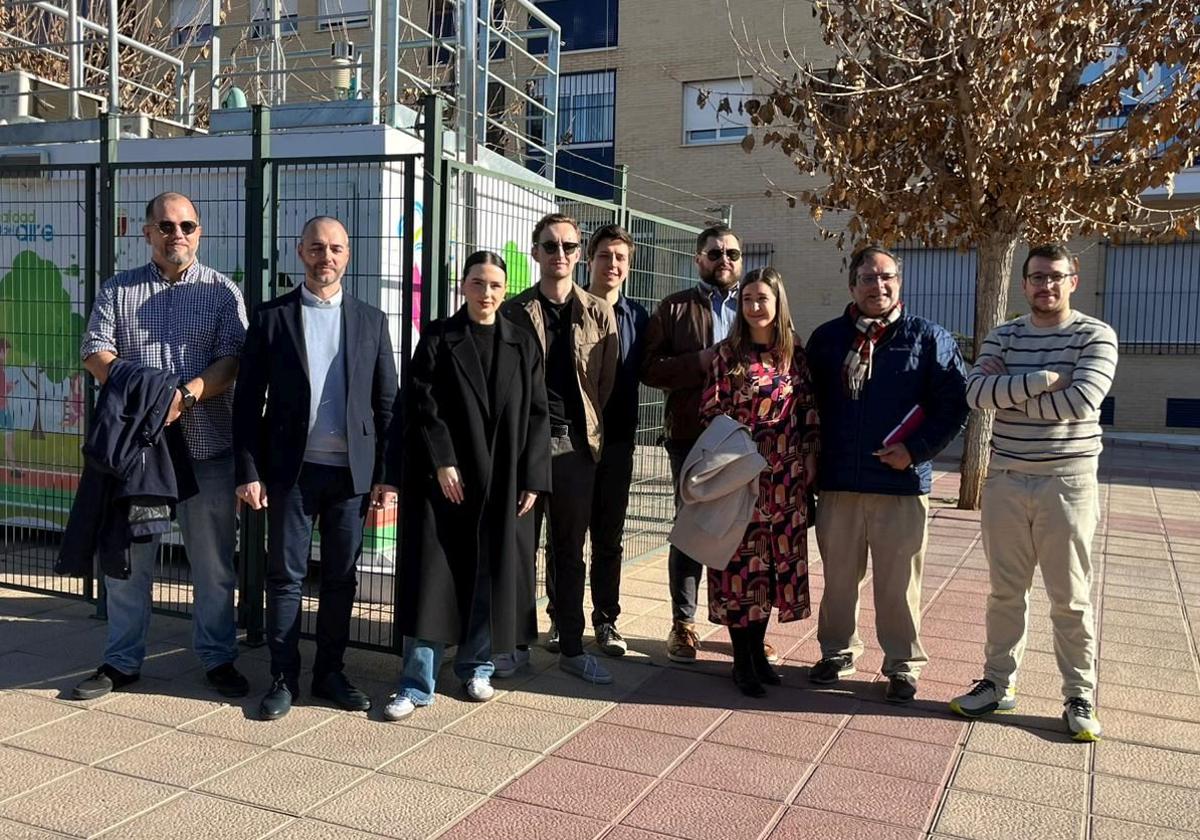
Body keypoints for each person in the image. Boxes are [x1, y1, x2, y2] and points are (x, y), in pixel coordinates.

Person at [72, 191, 249, 701]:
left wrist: (186, 396)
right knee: (131, 560)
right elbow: (94, 351)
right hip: (139, 453)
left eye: (188, 226)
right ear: (146, 232)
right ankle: (122, 662)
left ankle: (217, 658)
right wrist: (151, 398)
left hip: (206, 447)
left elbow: (233, 358)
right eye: (166, 226)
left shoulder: (222, 292)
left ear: (200, 232)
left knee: (213, 564)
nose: (178, 235)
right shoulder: (119, 289)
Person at [233, 216, 399, 720]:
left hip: (351, 476)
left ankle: (330, 671)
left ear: (348, 256)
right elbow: (246, 403)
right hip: (291, 471)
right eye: (317, 248)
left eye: (336, 249)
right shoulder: (271, 317)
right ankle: (284, 678)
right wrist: (248, 470)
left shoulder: (372, 320)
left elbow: (388, 402)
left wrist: (387, 477)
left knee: (341, 579)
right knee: (284, 577)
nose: (326, 257)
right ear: (299, 251)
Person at [950, 244, 1117, 741]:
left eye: (1055, 277)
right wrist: (1043, 379)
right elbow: (975, 395)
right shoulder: (1003, 334)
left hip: (1066, 482)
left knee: (1070, 598)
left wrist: (1011, 393)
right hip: (1003, 480)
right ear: (1024, 283)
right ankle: (998, 684)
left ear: (1073, 280)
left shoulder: (1095, 336)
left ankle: (1078, 695)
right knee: (1005, 592)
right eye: (1037, 277)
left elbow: (1083, 401)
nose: (1046, 286)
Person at [384, 251, 550, 721]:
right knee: (433, 581)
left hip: (504, 483)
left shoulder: (522, 342)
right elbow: (422, 403)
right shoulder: (438, 337)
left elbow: (539, 413)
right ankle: (417, 683)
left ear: (505, 289)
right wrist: (442, 461)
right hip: (446, 485)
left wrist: (534, 477)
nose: (487, 293)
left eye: (496, 285)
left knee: (489, 577)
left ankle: (476, 666)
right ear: (463, 286)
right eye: (478, 283)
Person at [805, 245, 968, 704]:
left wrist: (915, 450)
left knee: (898, 584)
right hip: (839, 483)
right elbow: (808, 405)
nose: (879, 285)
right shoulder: (828, 340)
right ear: (852, 285)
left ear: (899, 281)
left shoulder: (929, 338)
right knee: (838, 579)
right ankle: (837, 651)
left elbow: (955, 407)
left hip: (900, 483)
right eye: (869, 278)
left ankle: (902, 664)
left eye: (887, 277)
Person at [644, 225, 784, 666]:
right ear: (697, 259)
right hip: (692, 437)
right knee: (693, 529)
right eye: (714, 253)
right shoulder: (674, 308)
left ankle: (744, 629)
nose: (724, 259)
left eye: (733, 253)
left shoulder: (755, 305)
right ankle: (683, 625)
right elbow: (648, 368)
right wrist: (698, 363)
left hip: (752, 441)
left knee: (745, 535)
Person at [500, 213, 619, 685]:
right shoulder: (513, 310)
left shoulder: (598, 312)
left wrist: (580, 430)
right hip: (524, 449)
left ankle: (571, 644)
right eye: (551, 246)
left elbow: (603, 384)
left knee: (570, 551)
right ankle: (515, 645)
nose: (561, 255)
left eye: (570, 246)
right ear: (535, 253)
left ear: (578, 253)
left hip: (576, 449)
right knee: (520, 550)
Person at [698, 268, 819, 696]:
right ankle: (742, 659)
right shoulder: (727, 355)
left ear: (777, 302)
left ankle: (759, 654)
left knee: (771, 568)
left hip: (785, 480)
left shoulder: (793, 354)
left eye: (761, 299)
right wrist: (742, 450)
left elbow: (807, 414)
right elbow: (711, 411)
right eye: (747, 299)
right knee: (739, 569)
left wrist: (807, 468)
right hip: (740, 477)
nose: (753, 307)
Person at [546, 223, 648, 658]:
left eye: (620, 257)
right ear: (590, 258)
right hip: (572, 442)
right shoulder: (569, 307)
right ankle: (559, 618)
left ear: (629, 265)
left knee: (609, 536)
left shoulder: (640, 318)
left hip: (619, 441)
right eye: (605, 255)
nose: (612, 264)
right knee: (564, 537)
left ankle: (606, 620)